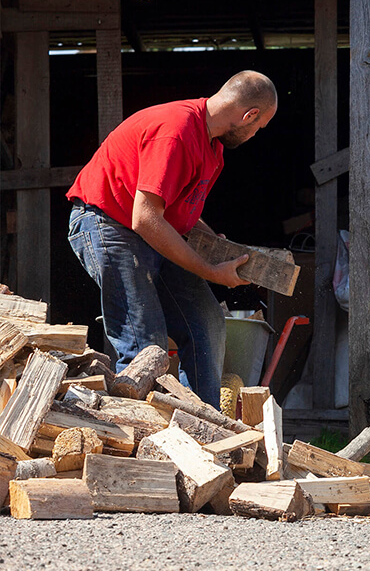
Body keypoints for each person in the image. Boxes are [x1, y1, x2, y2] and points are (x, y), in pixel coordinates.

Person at [66, 70, 278, 409]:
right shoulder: (177, 131)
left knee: (206, 322)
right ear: (249, 115)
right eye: (258, 126)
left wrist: (218, 244)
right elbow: (145, 217)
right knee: (146, 344)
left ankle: (202, 426)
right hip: (108, 224)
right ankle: (145, 440)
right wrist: (211, 270)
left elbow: (177, 212)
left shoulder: (212, 147)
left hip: (143, 230)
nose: (255, 133)